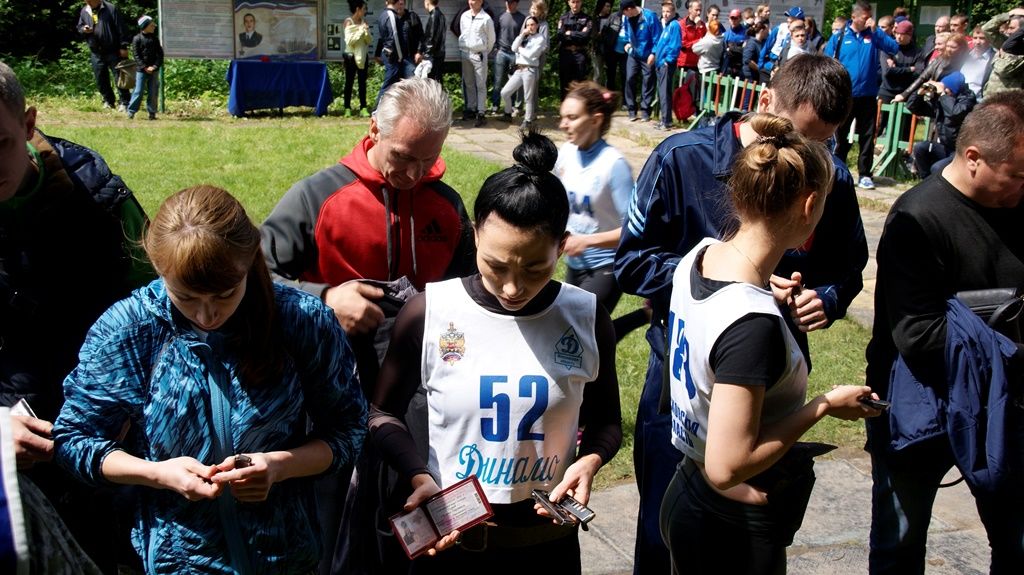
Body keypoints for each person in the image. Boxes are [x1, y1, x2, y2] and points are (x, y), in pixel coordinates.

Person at [614, 54, 867, 575]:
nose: (807, 156)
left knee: (737, 540)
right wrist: (737, 289)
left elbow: (848, 268)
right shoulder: (681, 157)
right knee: (663, 536)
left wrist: (826, 298)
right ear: (766, 101)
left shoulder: (828, 177)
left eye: (824, 143)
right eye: (798, 135)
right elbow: (631, 262)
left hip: (762, 386)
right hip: (681, 384)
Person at [53, 185, 369, 575]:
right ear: (159, 270)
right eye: (186, 297)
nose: (207, 315)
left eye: (225, 295)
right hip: (177, 563)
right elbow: (74, 439)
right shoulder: (129, 331)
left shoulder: (301, 322)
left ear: (249, 261)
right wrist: (158, 473)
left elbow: (348, 430)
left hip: (285, 559)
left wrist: (279, 466)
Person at [368, 130, 623, 573]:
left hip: (548, 549)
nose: (512, 287)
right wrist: (418, 474)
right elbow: (382, 414)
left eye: (535, 269)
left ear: (563, 246)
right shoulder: (430, 312)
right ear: (475, 236)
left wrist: (590, 460)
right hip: (452, 548)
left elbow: (607, 421)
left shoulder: (585, 316)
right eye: (495, 265)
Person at [260, 77, 476, 575]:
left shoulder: (447, 205)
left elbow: (471, 291)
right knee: (334, 519)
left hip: (421, 399)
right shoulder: (318, 197)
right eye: (403, 156)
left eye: (429, 159)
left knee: (413, 516)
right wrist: (324, 297)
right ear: (374, 128)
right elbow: (255, 277)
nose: (414, 173)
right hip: (330, 395)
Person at [659, 113, 881, 575]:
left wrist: (762, 287)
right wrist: (823, 406)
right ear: (810, 206)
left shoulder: (699, 255)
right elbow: (727, 466)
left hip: (685, 493)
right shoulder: (752, 324)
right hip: (730, 528)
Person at [0, 60, 154, 574]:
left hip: (100, 441)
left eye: (0, 143)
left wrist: (129, 400)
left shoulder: (98, 200)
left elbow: (159, 311)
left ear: (28, 124)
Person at [865, 90, 1024, 575]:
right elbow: (918, 334)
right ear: (973, 158)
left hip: (1005, 405)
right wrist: (1011, 339)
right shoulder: (916, 218)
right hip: (919, 406)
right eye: (1017, 174)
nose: (1023, 185)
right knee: (899, 546)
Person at [555, 81, 646, 342]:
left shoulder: (614, 165)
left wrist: (586, 241)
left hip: (607, 266)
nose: (563, 124)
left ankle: (644, 315)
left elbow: (636, 230)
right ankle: (644, 316)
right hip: (575, 263)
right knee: (576, 335)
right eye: (563, 117)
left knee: (574, 334)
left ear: (595, 120)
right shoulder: (566, 153)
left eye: (572, 117)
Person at [825, 0, 899, 190]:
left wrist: (877, 32)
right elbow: (827, 60)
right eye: (865, 18)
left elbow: (894, 47)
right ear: (854, 17)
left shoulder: (873, 36)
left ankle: (865, 174)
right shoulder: (840, 36)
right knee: (840, 134)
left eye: (870, 17)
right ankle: (837, 168)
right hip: (846, 94)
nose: (868, 21)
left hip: (868, 95)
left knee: (867, 136)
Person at [907, 72, 977, 177]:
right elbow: (913, 107)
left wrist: (943, 95)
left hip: (960, 151)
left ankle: (935, 184)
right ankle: (926, 182)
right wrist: (919, 93)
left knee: (937, 168)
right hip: (945, 147)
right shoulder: (943, 101)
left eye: (946, 88)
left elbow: (954, 112)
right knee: (920, 148)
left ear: (953, 89)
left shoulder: (967, 100)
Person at [77, 0, 131, 111]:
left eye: (90, 1)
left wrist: (123, 46)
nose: (88, 3)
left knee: (119, 77)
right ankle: (108, 101)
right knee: (100, 78)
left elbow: (121, 28)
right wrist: (84, 29)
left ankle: (124, 102)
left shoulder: (111, 9)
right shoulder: (85, 10)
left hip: (113, 50)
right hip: (96, 51)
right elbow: (79, 26)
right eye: (87, 1)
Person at [501, 15, 547, 129]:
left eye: (532, 24)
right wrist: (522, 35)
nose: (530, 27)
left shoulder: (540, 38)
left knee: (528, 97)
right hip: (519, 69)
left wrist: (520, 49)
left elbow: (531, 55)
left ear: (537, 25)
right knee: (505, 92)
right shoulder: (525, 37)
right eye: (528, 25)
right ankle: (508, 113)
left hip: (530, 70)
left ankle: (528, 120)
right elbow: (513, 48)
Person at [375, 0, 424, 109]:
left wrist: (419, 51)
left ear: (404, 4)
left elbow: (421, 35)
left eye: (401, 4)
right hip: (395, 58)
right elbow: (384, 38)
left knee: (412, 83)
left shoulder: (412, 17)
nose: (399, 7)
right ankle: (389, 109)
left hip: (408, 57)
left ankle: (414, 109)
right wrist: (378, 53)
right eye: (398, 4)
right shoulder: (391, 17)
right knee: (393, 84)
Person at [620, 0, 661, 123]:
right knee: (629, 78)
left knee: (648, 81)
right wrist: (627, 43)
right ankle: (631, 109)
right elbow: (626, 32)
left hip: (647, 54)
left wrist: (653, 53)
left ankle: (645, 111)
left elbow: (657, 36)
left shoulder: (649, 16)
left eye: (624, 12)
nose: (624, 15)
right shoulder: (627, 18)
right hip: (633, 54)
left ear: (629, 9)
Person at [459, 0, 496, 126]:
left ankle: (481, 112)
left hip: (479, 54)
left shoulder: (486, 18)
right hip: (465, 53)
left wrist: (483, 51)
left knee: (480, 84)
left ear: (480, 1)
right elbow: (463, 33)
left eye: (474, 0)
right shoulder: (464, 16)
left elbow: (491, 39)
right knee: (468, 83)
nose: (470, 2)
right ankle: (471, 108)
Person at [491, 0, 526, 114]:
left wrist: (521, 50)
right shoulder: (500, 16)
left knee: (513, 82)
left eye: (512, 2)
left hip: (515, 53)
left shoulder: (522, 18)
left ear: (517, 3)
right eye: (508, 2)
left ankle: (510, 106)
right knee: (498, 81)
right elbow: (494, 33)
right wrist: (495, 48)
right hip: (501, 52)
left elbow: (525, 36)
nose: (510, 4)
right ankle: (495, 105)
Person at [878, 20, 925, 104]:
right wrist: (909, 69)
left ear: (909, 35)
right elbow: (887, 72)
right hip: (886, 92)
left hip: (906, 93)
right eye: (897, 33)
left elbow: (918, 73)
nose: (898, 36)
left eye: (902, 34)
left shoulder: (918, 53)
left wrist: (895, 70)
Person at [652, 1, 681, 131]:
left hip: (666, 65)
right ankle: (665, 119)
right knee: (662, 93)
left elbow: (675, 45)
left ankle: (666, 121)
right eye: (663, 11)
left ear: (673, 12)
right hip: (660, 64)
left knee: (664, 93)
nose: (665, 14)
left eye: (668, 11)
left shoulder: (674, 25)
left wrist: (667, 60)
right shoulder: (667, 26)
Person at [127, 15, 162, 121]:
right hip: (141, 70)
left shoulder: (154, 39)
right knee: (138, 91)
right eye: (151, 25)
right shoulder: (137, 38)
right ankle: (131, 112)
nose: (154, 26)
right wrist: (144, 67)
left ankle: (152, 113)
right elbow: (136, 55)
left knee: (153, 91)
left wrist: (155, 66)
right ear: (145, 26)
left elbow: (160, 54)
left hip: (153, 70)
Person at [557, 0, 594, 98]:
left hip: (580, 53)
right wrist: (579, 34)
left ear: (581, 2)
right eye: (573, 2)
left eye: (578, 2)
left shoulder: (587, 18)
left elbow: (586, 36)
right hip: (566, 53)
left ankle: (579, 104)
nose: (575, 4)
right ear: (569, 3)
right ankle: (565, 103)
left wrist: (570, 33)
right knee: (565, 81)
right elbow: (560, 36)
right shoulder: (563, 18)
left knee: (580, 81)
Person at [982, 12, 1024, 96]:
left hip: (1009, 100)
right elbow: (986, 29)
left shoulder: (1021, 51)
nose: (1008, 31)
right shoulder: (1005, 42)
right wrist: (1007, 16)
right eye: (1008, 28)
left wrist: (999, 57)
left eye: (1012, 28)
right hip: (990, 98)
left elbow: (1003, 70)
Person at [758, 6, 803, 82]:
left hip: (786, 67)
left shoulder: (801, 35)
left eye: (792, 18)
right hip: (771, 63)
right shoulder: (779, 28)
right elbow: (766, 46)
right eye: (788, 17)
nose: (788, 19)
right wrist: (761, 65)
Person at [343, 0, 372, 118]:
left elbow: (368, 41)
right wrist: (361, 30)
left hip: (363, 56)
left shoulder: (364, 22)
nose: (365, 11)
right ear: (357, 9)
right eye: (364, 9)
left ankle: (363, 107)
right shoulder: (348, 22)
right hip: (350, 56)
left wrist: (366, 32)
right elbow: (350, 41)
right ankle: (347, 108)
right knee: (349, 82)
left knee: (362, 82)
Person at [677, 0, 706, 104]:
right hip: (684, 62)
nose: (699, 13)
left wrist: (699, 28)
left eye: (700, 10)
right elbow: (684, 44)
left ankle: (692, 106)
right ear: (689, 10)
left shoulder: (702, 25)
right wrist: (698, 42)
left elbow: (704, 42)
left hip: (697, 62)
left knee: (696, 86)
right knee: (685, 86)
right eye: (696, 10)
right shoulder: (682, 24)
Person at [962, 25, 994, 98]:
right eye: (975, 38)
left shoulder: (993, 58)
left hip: (977, 100)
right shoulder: (965, 54)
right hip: (959, 97)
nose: (977, 42)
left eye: (982, 38)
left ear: (989, 40)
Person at [419, 0, 447, 83]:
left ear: (427, 2)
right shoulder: (440, 14)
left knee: (431, 80)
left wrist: (426, 55)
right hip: (438, 53)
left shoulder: (434, 15)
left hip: (433, 54)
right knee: (436, 79)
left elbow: (432, 37)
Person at [722, 9, 747, 78]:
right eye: (732, 18)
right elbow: (724, 52)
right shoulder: (726, 35)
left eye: (735, 18)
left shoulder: (746, 33)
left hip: (741, 67)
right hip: (728, 66)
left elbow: (745, 51)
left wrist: (731, 49)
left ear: (740, 19)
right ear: (729, 19)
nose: (733, 20)